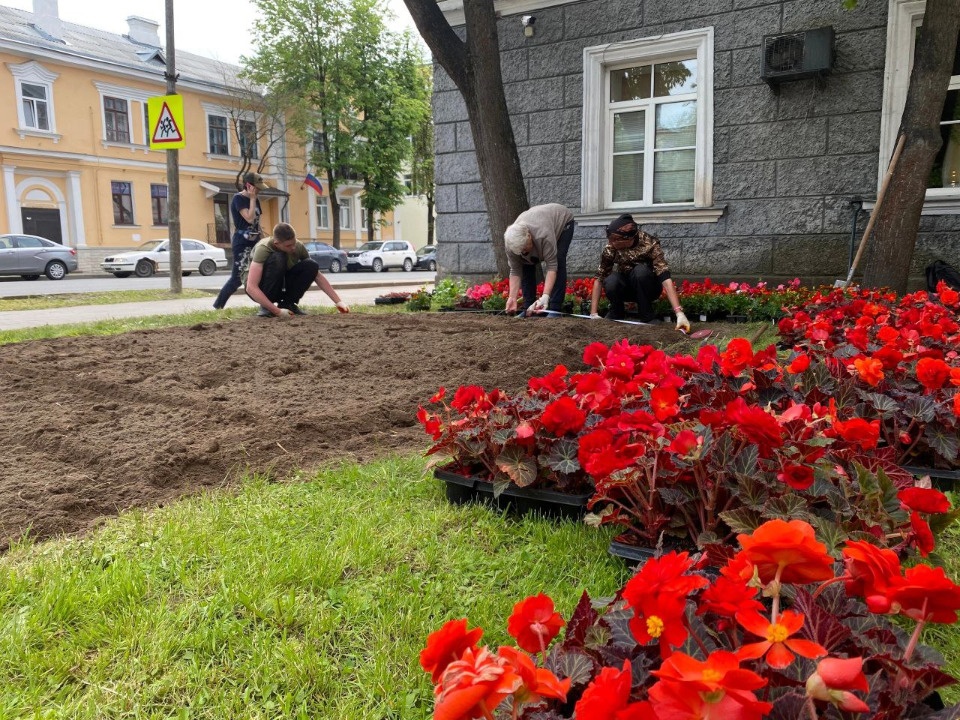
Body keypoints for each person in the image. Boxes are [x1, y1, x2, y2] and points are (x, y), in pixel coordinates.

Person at [588, 213, 690, 332]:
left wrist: (679, 313)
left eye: (615, 240)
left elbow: (665, 277)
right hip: (626, 287)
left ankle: (647, 315)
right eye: (610, 239)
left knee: (640, 271)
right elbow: (600, 277)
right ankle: (616, 312)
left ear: (628, 238)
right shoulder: (611, 247)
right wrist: (593, 313)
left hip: (648, 287)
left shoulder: (649, 243)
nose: (611, 243)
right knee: (611, 280)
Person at [244, 222, 350, 318]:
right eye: (289, 246)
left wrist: (338, 302)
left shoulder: (298, 246)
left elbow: (316, 275)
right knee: (278, 258)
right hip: (262, 288)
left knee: (311, 265)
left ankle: (288, 304)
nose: (293, 248)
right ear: (277, 243)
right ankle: (266, 307)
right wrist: (277, 311)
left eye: (294, 243)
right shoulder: (263, 248)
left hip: (282, 284)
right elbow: (251, 287)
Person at [503, 203, 575, 316]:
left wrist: (545, 296)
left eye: (525, 248)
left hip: (562, 221)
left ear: (529, 236)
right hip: (539, 220)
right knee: (525, 263)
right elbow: (515, 270)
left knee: (558, 259)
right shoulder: (511, 244)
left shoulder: (544, 235)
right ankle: (528, 308)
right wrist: (512, 297)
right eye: (521, 251)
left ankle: (554, 309)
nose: (524, 253)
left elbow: (552, 267)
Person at [213, 171, 268, 309]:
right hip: (242, 243)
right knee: (237, 278)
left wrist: (263, 240)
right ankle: (218, 307)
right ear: (249, 186)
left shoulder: (256, 199)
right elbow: (249, 218)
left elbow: (256, 222)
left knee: (262, 272)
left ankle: (266, 306)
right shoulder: (238, 199)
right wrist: (252, 198)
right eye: (257, 187)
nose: (260, 190)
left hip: (255, 241)